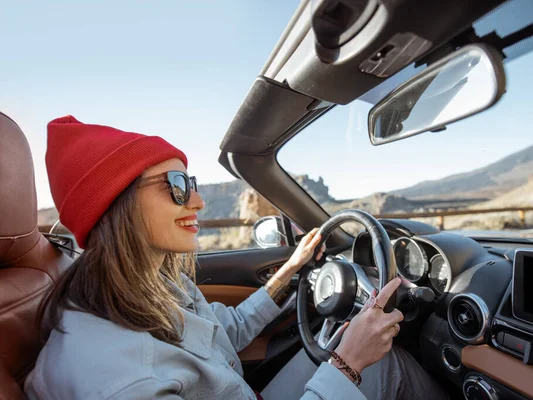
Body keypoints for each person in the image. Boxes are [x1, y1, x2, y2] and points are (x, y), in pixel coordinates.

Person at [25, 116, 447, 399]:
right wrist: (349, 362)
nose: (198, 201)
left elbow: (227, 330)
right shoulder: (122, 379)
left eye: (189, 181)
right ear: (114, 205)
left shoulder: (152, 282)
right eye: (175, 184)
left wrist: (292, 267)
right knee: (382, 365)